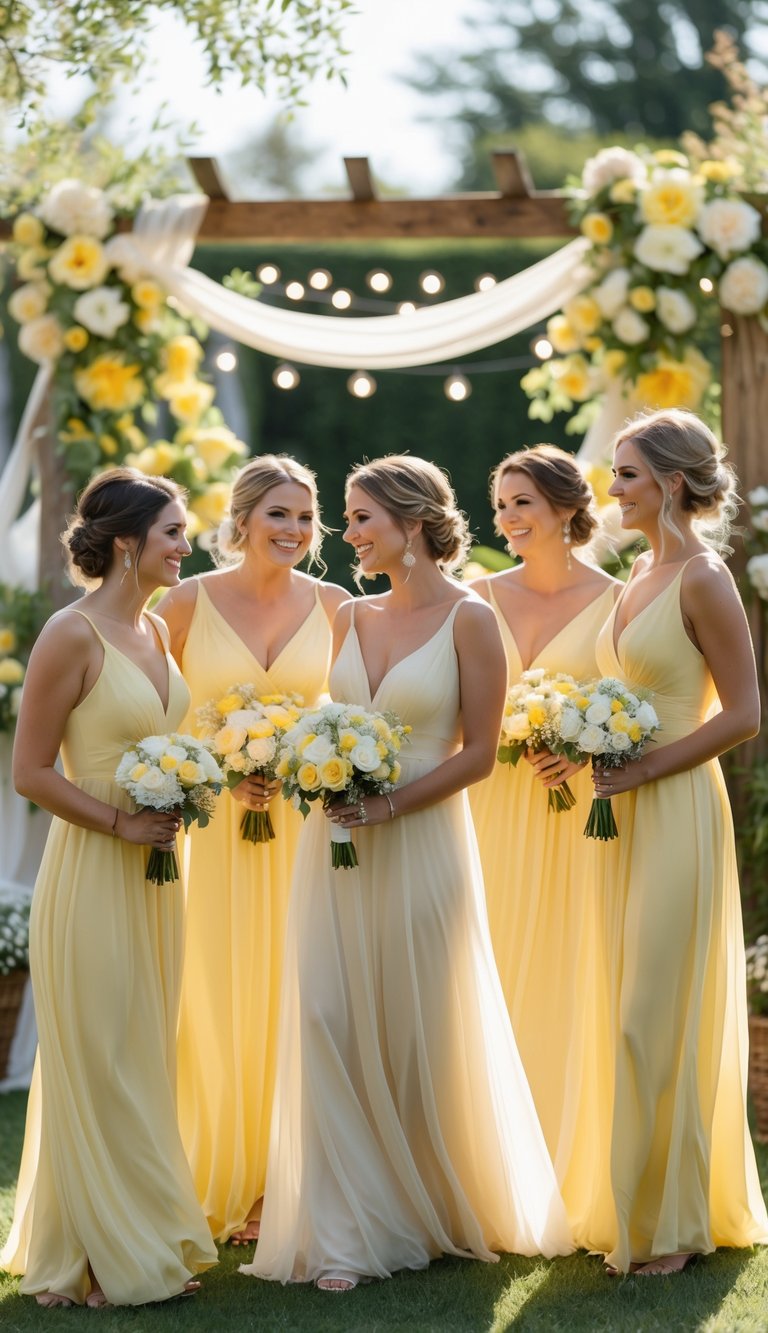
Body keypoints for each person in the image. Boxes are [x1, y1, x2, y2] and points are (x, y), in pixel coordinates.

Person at [240, 454, 573, 1292]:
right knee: (324, 1013)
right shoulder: (348, 616)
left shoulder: (470, 619)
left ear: (411, 524)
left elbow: (481, 755)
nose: (345, 534)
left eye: (360, 519)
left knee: (415, 1023)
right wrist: (299, 764)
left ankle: (420, 1206)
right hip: (334, 845)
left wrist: (390, 806)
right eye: (347, 519)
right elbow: (328, 719)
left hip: (423, 843)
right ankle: (344, 1227)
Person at [0, 469, 217, 1308]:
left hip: (160, 878)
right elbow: (29, 771)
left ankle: (135, 1231)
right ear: (127, 542)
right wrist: (120, 823)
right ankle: (95, 1254)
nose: (184, 546)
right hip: (94, 870)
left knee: (142, 1055)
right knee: (101, 1059)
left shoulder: (158, 633)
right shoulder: (71, 632)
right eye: (172, 532)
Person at [586, 408, 768, 1274]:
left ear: (672, 482)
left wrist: (647, 768)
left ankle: (673, 1219)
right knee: (620, 1002)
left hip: (677, 808)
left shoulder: (703, 576)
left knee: (656, 1008)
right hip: (617, 812)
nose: (613, 488)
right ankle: (630, 1201)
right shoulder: (633, 576)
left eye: (626, 473)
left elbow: (743, 714)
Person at [158, 454, 347, 1245]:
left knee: (299, 993)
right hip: (211, 831)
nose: (295, 531)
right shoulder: (181, 604)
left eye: (306, 518)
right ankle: (211, 1175)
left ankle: (283, 1186)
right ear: (241, 521)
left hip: (302, 831)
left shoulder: (338, 605)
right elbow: (154, 713)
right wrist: (220, 769)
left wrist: (306, 760)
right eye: (279, 515)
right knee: (214, 995)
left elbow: (353, 715)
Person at [469, 445, 617, 1229]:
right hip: (488, 808)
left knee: (566, 976)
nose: (508, 518)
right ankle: (487, 1179)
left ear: (566, 507)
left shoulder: (619, 601)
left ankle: (564, 1174)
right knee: (483, 974)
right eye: (500, 505)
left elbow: (635, 710)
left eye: (522, 502)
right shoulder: (474, 595)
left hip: (570, 822)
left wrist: (586, 744)